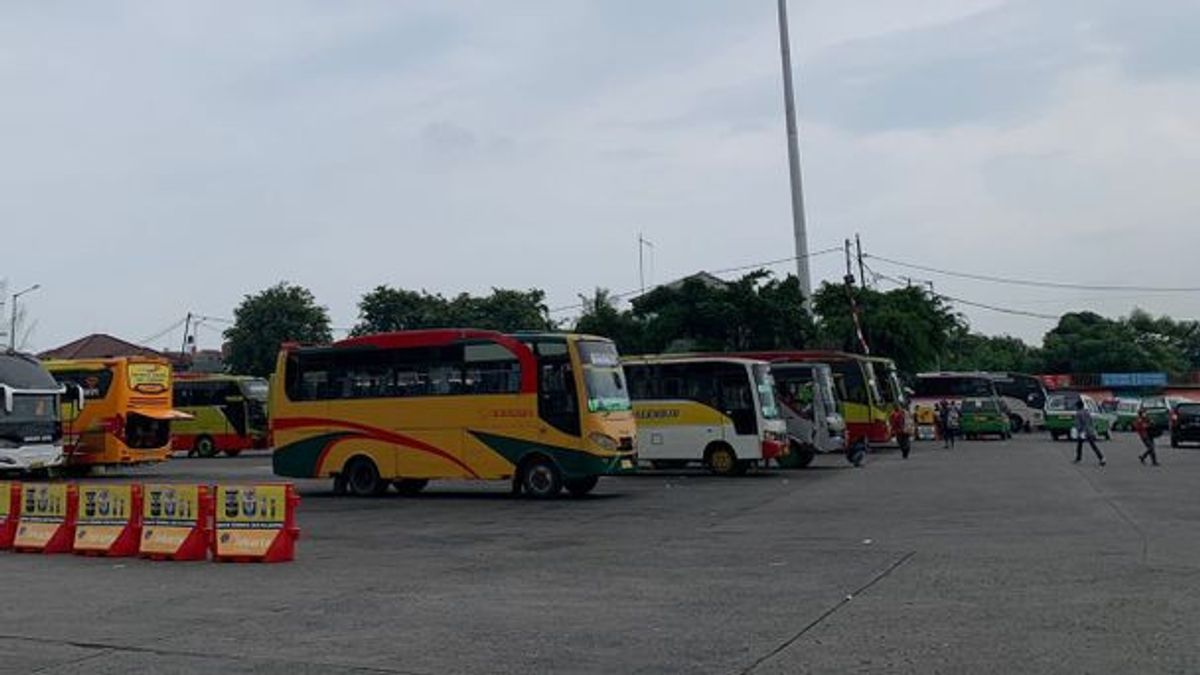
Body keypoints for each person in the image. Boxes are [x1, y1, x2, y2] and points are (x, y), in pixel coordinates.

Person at [1073, 399, 1106, 466]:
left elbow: (1078, 424)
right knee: (1092, 445)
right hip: (1090, 430)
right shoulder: (1087, 412)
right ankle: (1101, 458)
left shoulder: (1078, 413)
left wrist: (1079, 430)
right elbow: (1091, 421)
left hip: (1083, 432)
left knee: (1080, 445)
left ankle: (1078, 458)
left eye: (1076, 406)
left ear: (1078, 406)